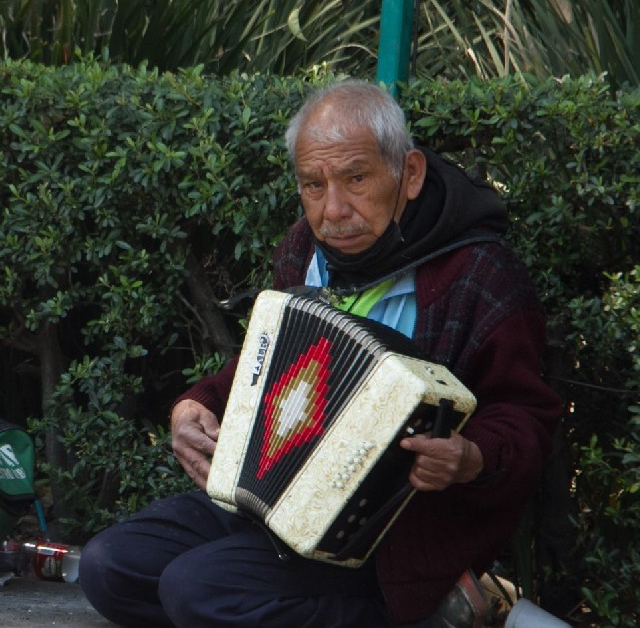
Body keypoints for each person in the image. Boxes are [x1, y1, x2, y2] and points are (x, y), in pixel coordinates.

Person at [77, 80, 564, 627]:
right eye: (313, 185)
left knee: (197, 591)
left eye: (356, 178)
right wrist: (195, 404)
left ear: (409, 174)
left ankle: (422, 616)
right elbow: (269, 363)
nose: (333, 210)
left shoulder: (479, 272)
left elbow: (526, 417)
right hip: (280, 501)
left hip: (389, 534)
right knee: (108, 567)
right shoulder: (303, 250)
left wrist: (470, 457)